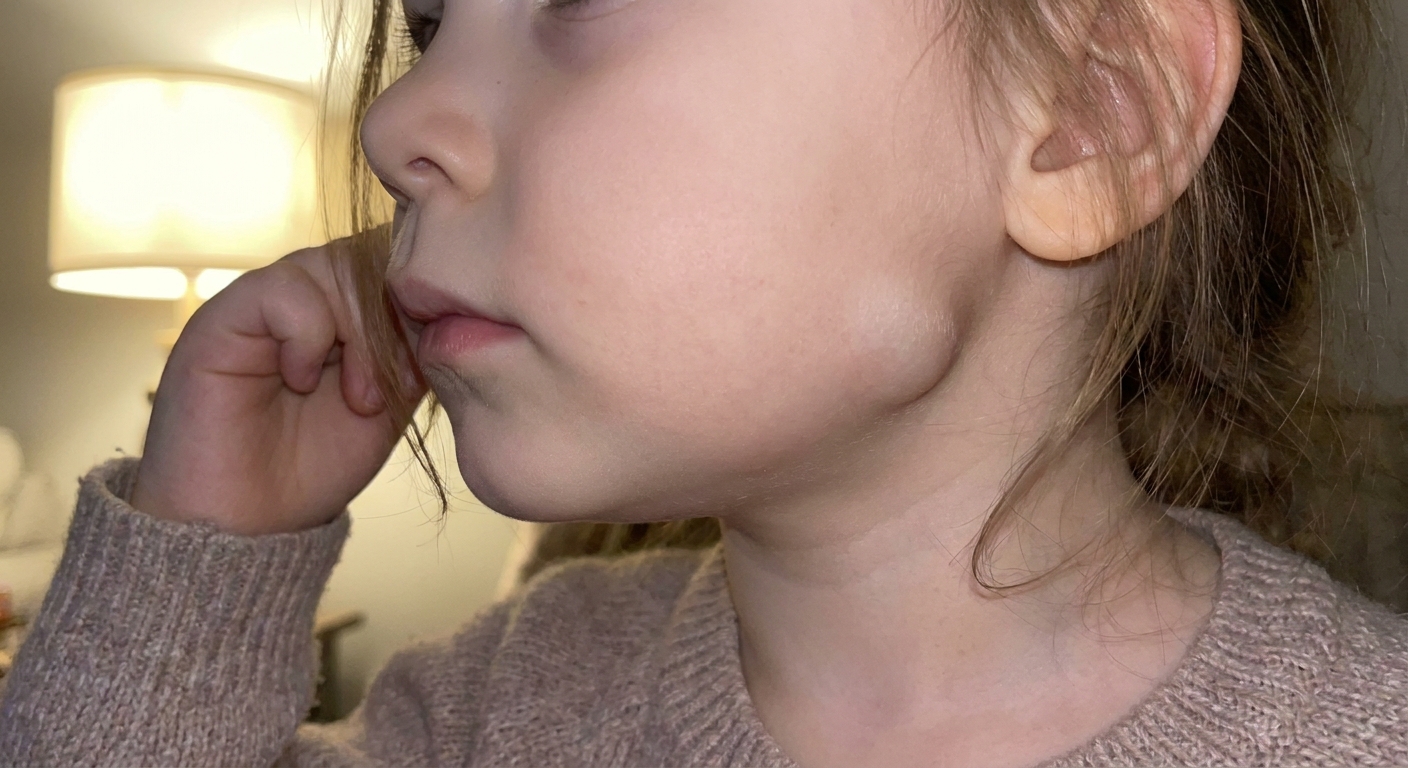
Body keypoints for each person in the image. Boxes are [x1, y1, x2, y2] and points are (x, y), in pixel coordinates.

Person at [2, 0, 1406, 765]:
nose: (396, 121)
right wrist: (199, 554)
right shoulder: (496, 711)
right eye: (431, 25)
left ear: (1091, 116)